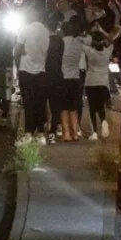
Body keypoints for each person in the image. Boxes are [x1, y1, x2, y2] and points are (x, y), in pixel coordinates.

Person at [14, 5, 50, 146]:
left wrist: (18, 66)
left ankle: (28, 133)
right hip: (41, 70)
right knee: (40, 103)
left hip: (26, 70)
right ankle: (40, 134)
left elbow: (17, 50)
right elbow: (46, 53)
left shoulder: (25, 29)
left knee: (28, 103)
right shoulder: (45, 31)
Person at [83, 31, 112, 140]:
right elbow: (111, 39)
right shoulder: (108, 52)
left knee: (92, 108)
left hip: (91, 82)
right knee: (100, 106)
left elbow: (81, 43)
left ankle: (94, 132)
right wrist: (103, 32)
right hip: (103, 83)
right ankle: (104, 121)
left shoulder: (90, 51)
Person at [59, 17, 84, 141]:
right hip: (75, 77)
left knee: (63, 107)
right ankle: (75, 133)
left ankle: (66, 133)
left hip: (64, 77)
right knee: (73, 107)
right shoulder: (78, 42)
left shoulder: (62, 42)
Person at [44, 14, 64, 143]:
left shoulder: (44, 40)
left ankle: (46, 124)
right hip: (58, 73)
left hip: (45, 74)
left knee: (44, 101)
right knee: (56, 103)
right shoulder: (60, 41)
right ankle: (53, 130)